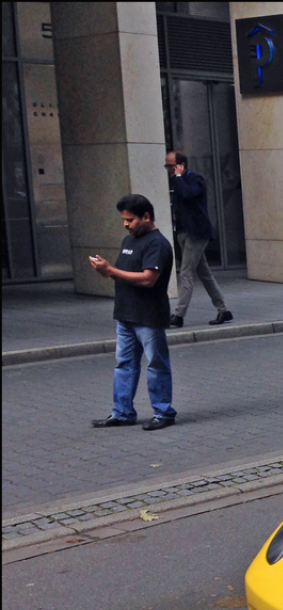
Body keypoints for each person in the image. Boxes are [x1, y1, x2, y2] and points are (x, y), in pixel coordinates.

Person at [88, 194, 178, 431]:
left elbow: (149, 279)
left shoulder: (157, 244)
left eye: (130, 220)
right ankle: (122, 412)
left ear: (146, 217)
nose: (126, 224)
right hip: (126, 314)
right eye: (124, 220)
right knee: (124, 364)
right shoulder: (129, 241)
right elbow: (121, 273)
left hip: (149, 315)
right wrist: (105, 271)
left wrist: (112, 271)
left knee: (156, 364)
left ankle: (163, 412)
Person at [165, 150, 231, 328]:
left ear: (181, 166)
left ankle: (178, 315)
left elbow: (188, 194)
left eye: (170, 166)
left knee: (185, 273)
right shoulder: (177, 181)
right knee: (205, 274)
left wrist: (178, 178)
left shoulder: (196, 180)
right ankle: (223, 310)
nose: (168, 169)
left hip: (197, 234)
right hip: (184, 233)